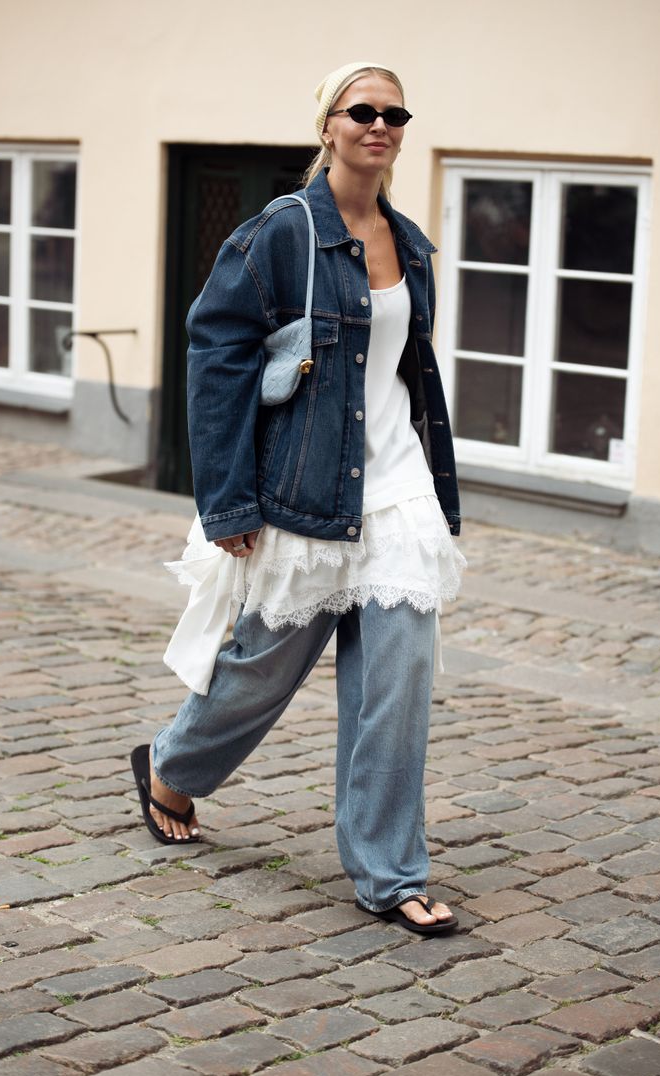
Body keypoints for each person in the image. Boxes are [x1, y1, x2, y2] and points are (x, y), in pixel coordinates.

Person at [131, 61, 466, 936]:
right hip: (306, 490)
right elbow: (217, 356)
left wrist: (438, 491)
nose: (380, 124)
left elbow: (406, 375)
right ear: (328, 125)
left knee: (397, 690)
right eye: (363, 110)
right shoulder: (282, 232)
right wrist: (229, 501)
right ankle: (171, 768)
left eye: (395, 113)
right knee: (260, 673)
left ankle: (390, 873)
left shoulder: (411, 245)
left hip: (397, 494)